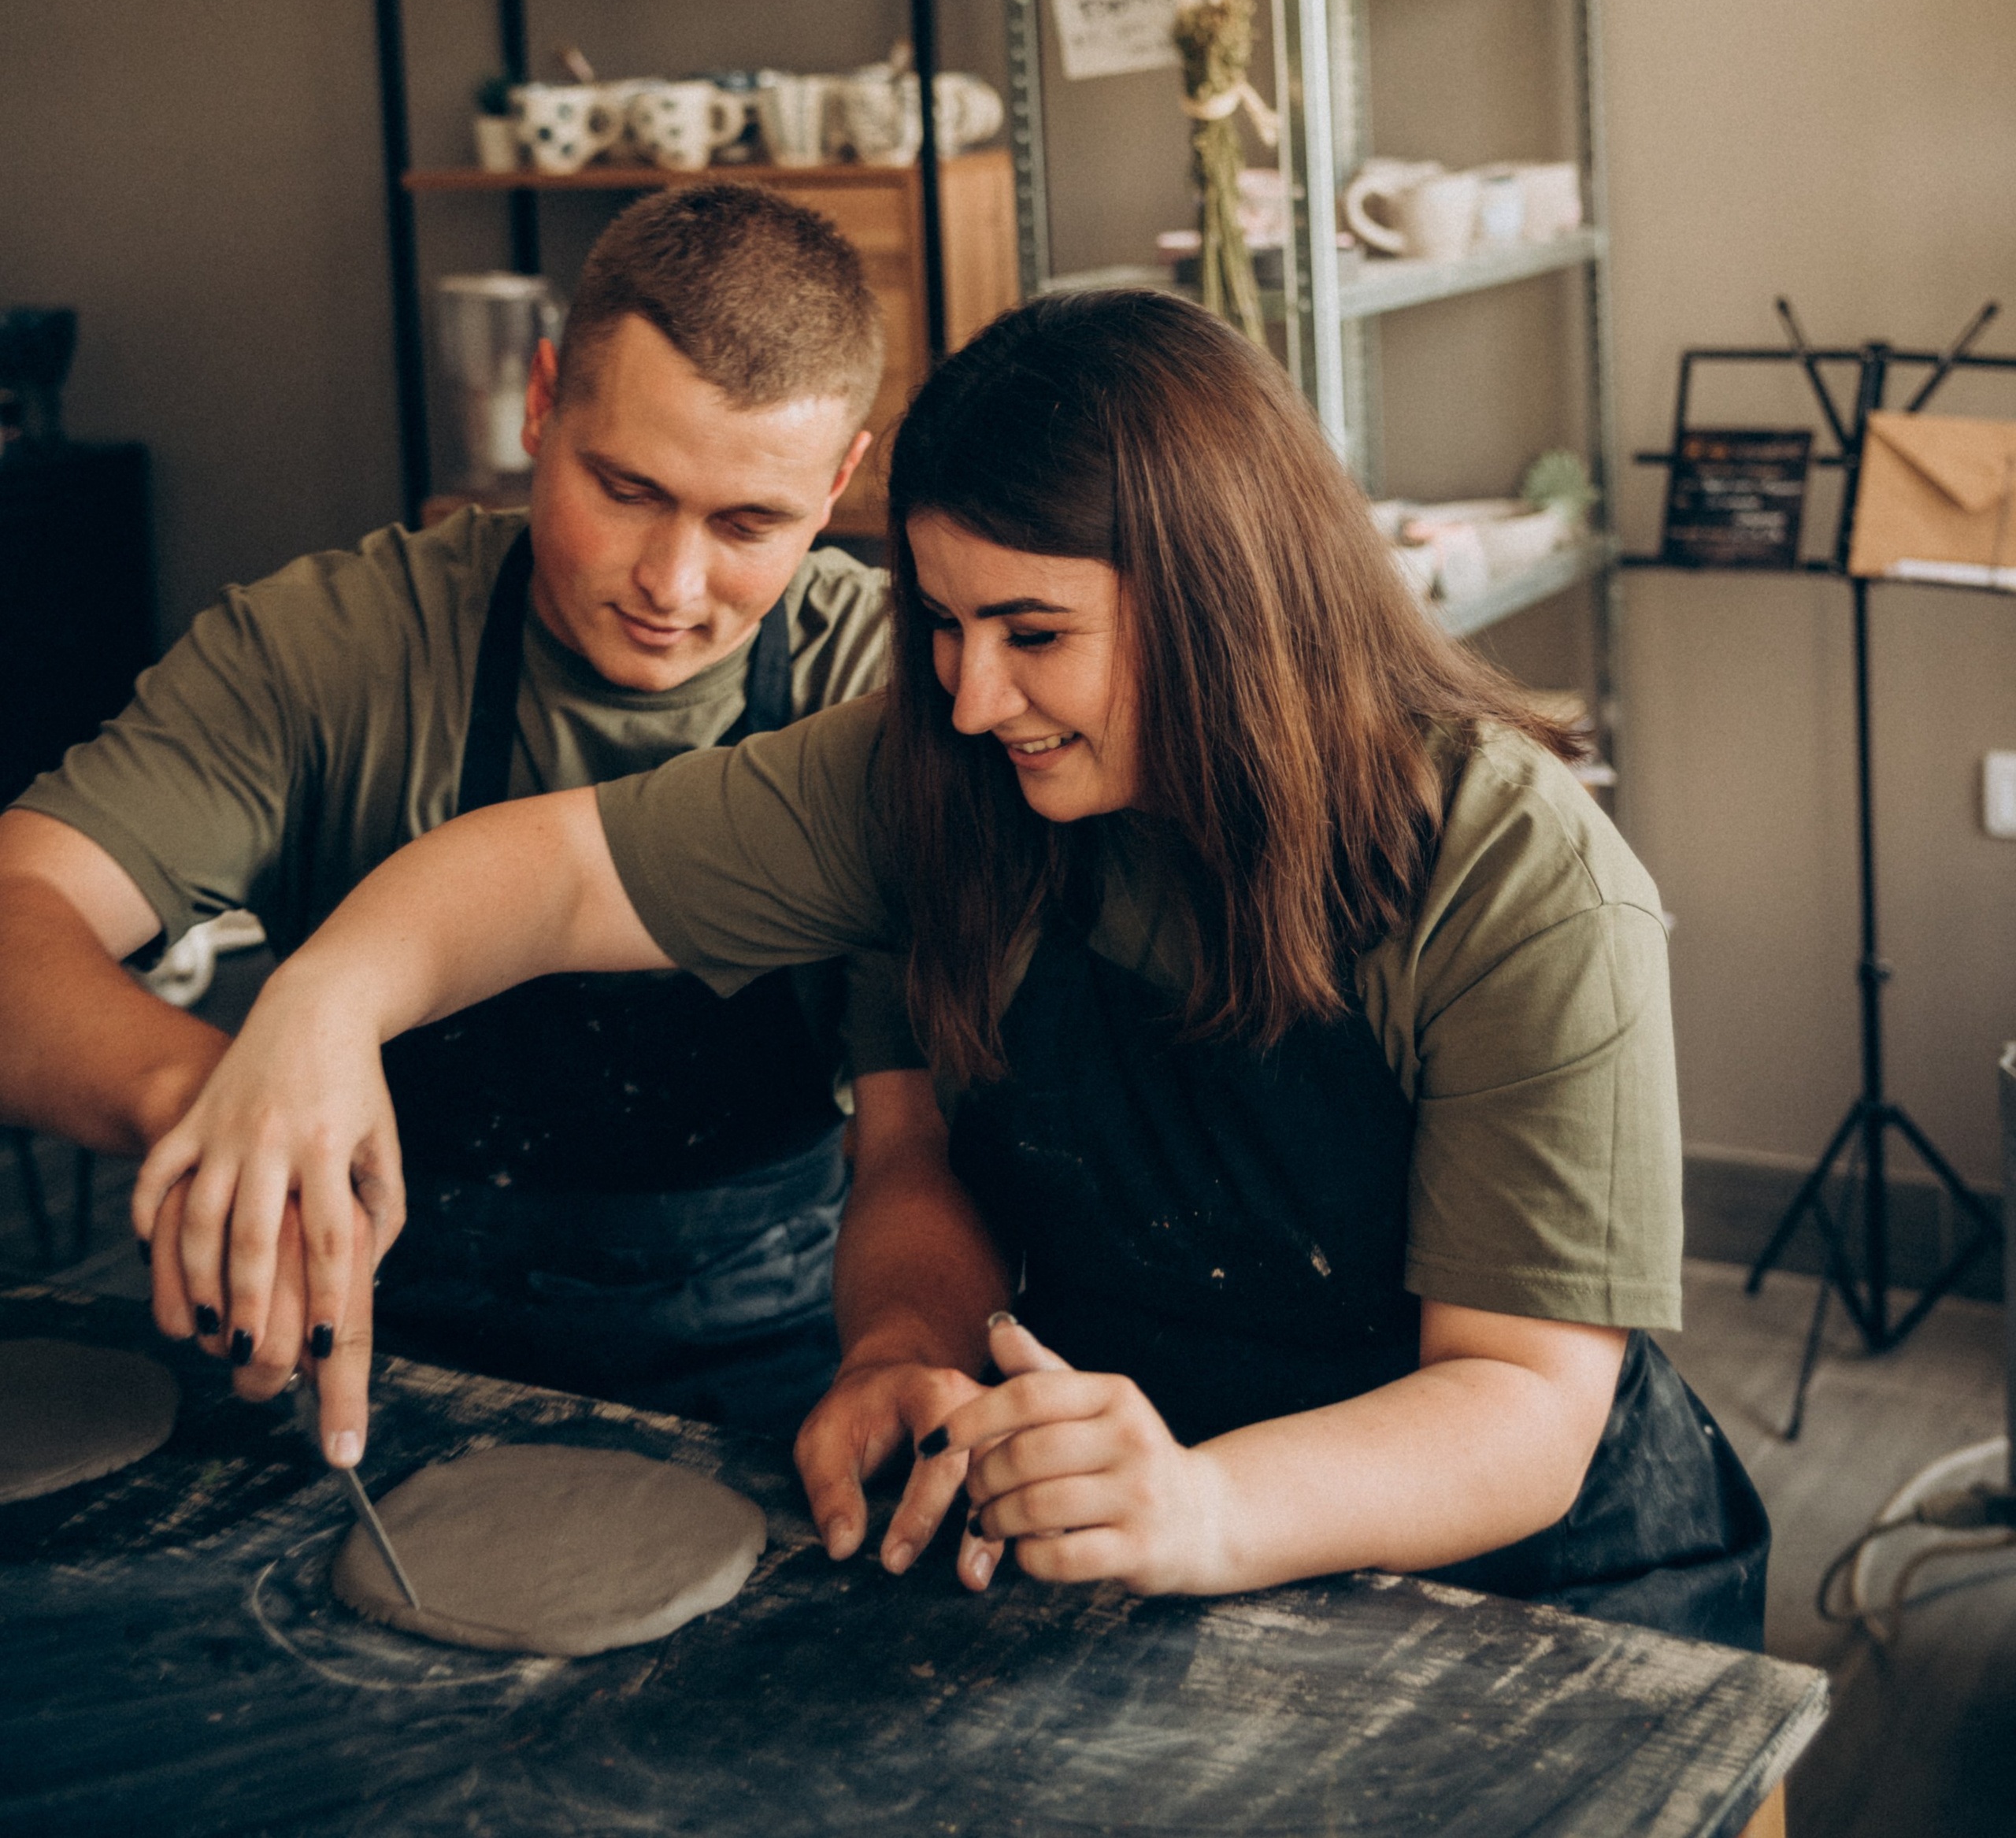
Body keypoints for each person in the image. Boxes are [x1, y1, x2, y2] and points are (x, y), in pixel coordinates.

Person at [135, 292, 1768, 1641]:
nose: (972, 695)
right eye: (939, 620)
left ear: (1225, 606)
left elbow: (1519, 1406)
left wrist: (1202, 1504)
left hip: (1525, 1588)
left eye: (1033, 632)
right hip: (1129, 1526)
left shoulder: (1509, 874)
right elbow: (560, 878)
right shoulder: (936, 777)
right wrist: (322, 1005)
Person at [1, 182, 920, 1437]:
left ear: (839, 485)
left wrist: (898, 1353)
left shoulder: (886, 689)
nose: (673, 581)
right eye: (627, 489)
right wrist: (227, 1108)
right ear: (541, 402)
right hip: (366, 1332)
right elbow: (20, 909)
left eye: (750, 522)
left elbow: (921, 1141)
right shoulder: (329, 649)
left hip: (770, 1349)